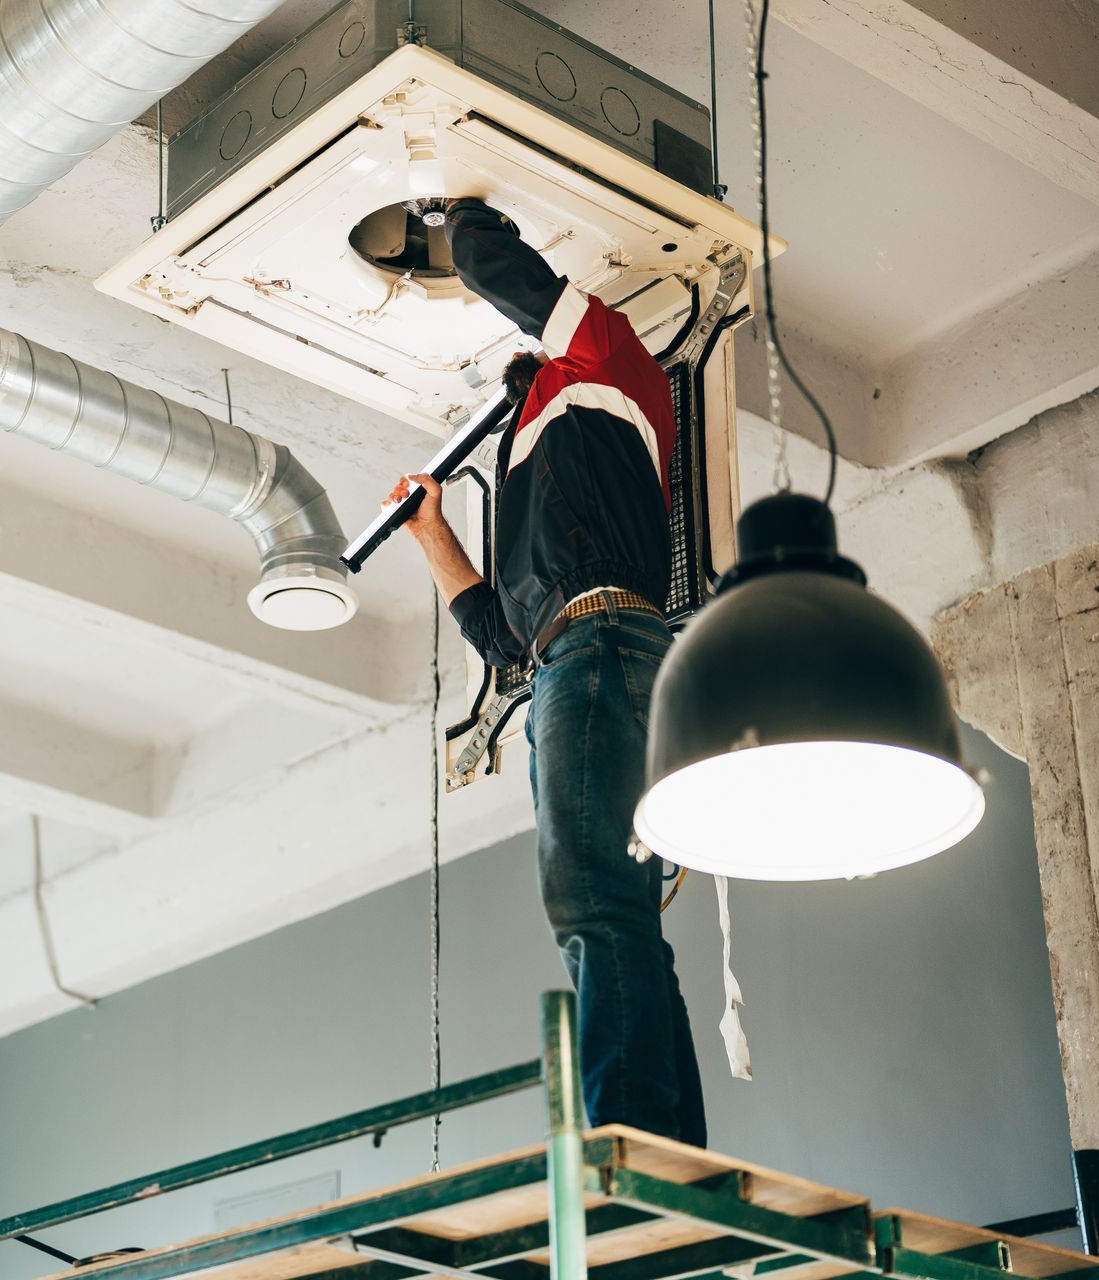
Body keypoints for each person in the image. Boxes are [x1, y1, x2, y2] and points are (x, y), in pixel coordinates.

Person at [389, 198, 705, 1146]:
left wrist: (456, 216)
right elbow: (502, 640)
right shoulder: (532, 452)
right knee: (616, 915)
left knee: (597, 909)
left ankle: (631, 1145)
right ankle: (659, 1148)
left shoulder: (612, 361)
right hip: (584, 657)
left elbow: (511, 278)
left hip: (603, 652)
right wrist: (433, 534)